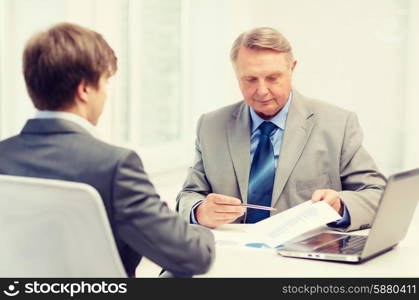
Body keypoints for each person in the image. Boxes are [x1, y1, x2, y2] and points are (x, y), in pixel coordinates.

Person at [0, 23, 215, 277]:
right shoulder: (114, 165)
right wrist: (202, 230)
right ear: (84, 89)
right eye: (105, 81)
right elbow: (192, 256)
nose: (106, 94)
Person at [176, 27, 386, 231]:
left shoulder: (338, 123)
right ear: (236, 75)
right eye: (249, 79)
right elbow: (188, 195)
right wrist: (199, 211)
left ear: (291, 69)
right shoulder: (211, 126)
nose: (262, 90)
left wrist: (340, 205)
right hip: (230, 255)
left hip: (305, 257)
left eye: (272, 78)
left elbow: (377, 194)